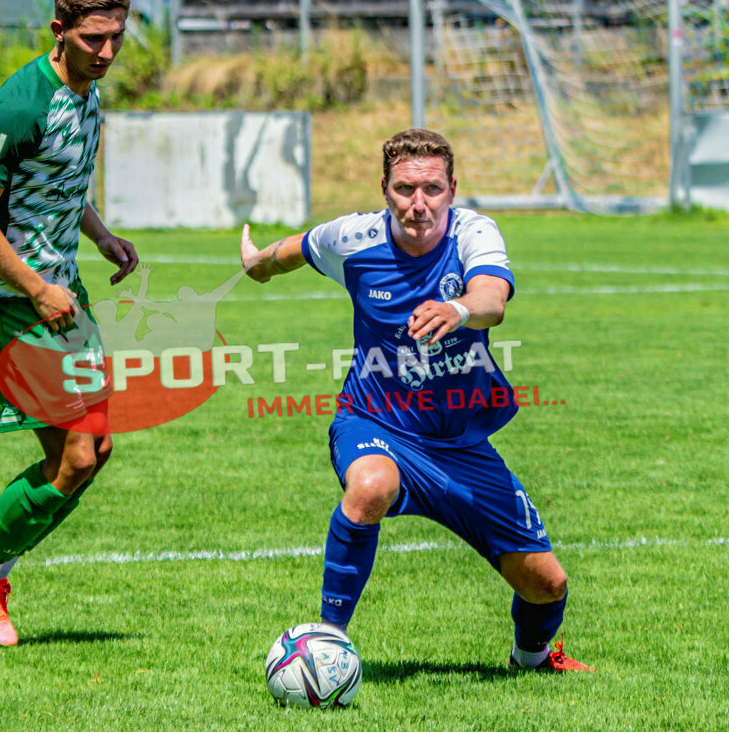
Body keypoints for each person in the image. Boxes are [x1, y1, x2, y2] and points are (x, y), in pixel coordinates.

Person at [239, 128, 593, 672]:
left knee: (547, 585)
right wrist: (257, 263)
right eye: (405, 189)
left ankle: (533, 657)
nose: (419, 204)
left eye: (432, 189)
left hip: (460, 443)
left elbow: (493, 299)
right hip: (374, 420)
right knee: (371, 486)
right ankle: (325, 645)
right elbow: (293, 251)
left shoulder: (475, 232)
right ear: (385, 189)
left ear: (453, 188)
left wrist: (459, 310)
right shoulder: (352, 239)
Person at [0, 0, 139, 647]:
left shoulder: (87, 98)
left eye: (117, 37)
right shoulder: (17, 106)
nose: (107, 52)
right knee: (76, 457)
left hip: (62, 295)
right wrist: (36, 287)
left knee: (95, 452)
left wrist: (101, 234)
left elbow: (57, 182)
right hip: (11, 301)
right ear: (59, 31)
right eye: (93, 39)